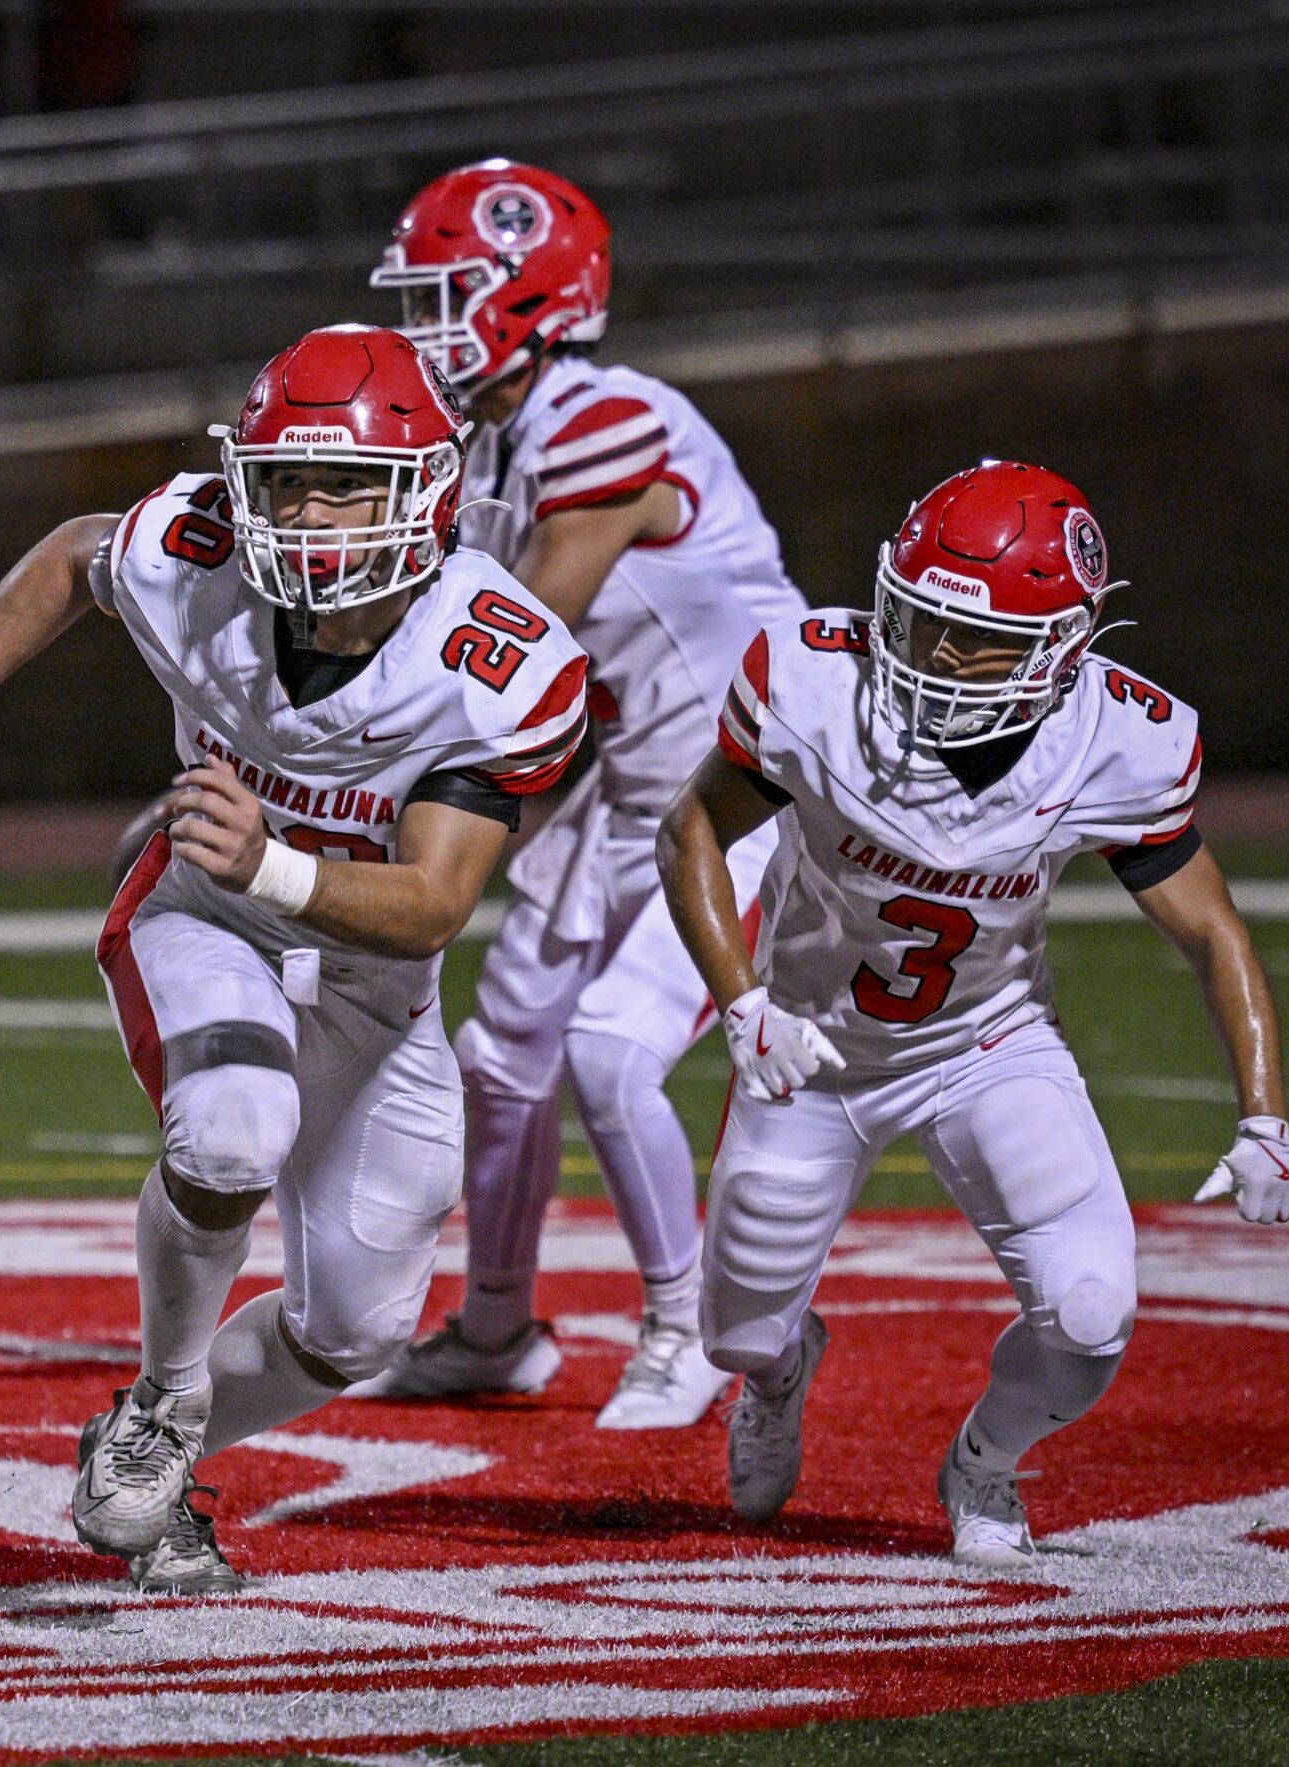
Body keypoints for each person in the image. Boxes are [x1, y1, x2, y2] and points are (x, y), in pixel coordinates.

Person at [0, 324, 588, 1592]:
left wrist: (277, 865)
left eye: (346, 483)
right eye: (287, 479)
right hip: (201, 913)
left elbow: (430, 905)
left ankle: (161, 1436)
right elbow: (80, 554)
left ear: (430, 487)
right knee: (233, 1133)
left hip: (372, 977)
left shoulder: (499, 663)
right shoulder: (197, 551)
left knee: (352, 1332)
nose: (308, 512)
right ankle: (164, 1404)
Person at [656, 460, 1289, 1564]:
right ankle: (779, 1371)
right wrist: (744, 1005)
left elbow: (1210, 930)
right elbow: (691, 833)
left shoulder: (1119, 738)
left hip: (984, 1043)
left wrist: (1264, 1118)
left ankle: (985, 1465)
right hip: (811, 1050)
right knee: (735, 1336)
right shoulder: (814, 683)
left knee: (1092, 1312)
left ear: (1066, 643)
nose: (942, 656)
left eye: (985, 639)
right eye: (919, 622)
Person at [351, 160, 807, 1426]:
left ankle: (685, 1324)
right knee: (502, 1058)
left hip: (742, 795)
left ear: (534, 295)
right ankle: (496, 1328)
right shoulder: (490, 434)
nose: (421, 327)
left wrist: (344, 751)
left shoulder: (598, 412)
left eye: (448, 295)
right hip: (628, 789)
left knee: (610, 1057)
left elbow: (526, 629)